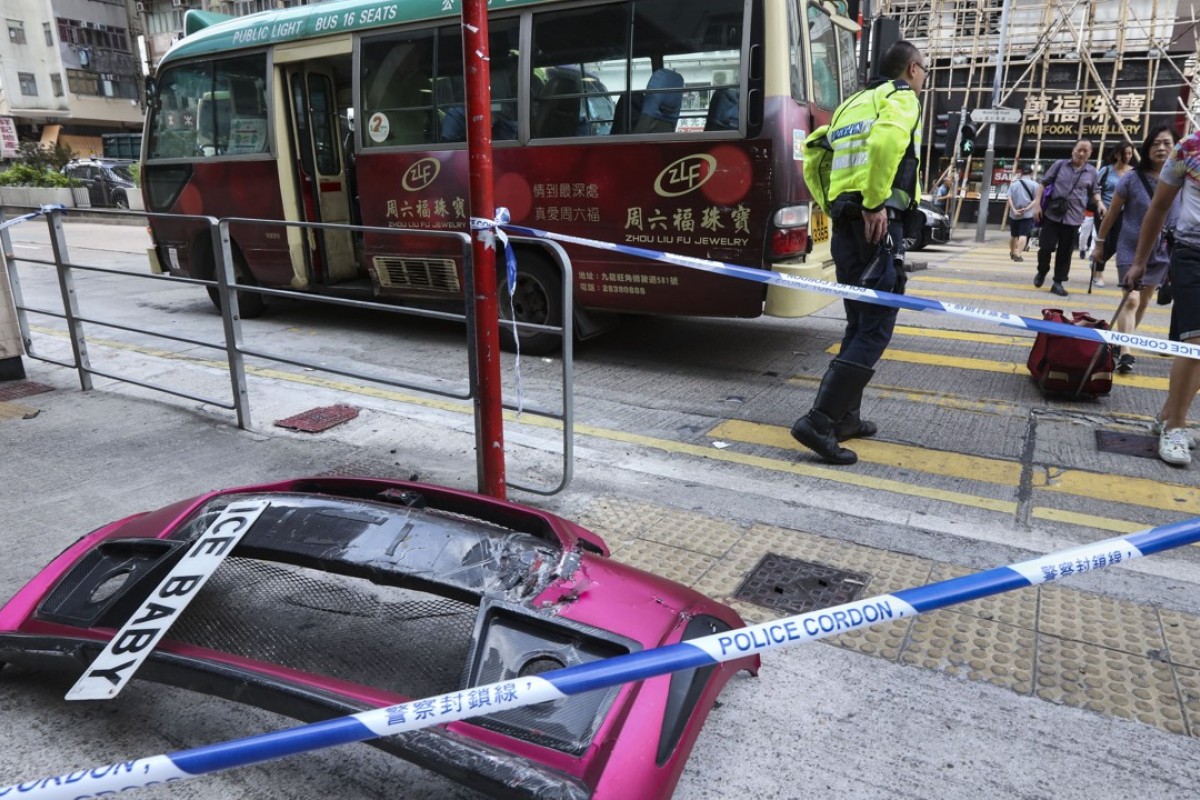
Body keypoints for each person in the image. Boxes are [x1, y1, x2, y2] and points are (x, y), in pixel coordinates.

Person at [791, 40, 926, 465]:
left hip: (846, 226)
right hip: (878, 224)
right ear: (913, 69)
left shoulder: (852, 104)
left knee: (857, 323)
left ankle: (846, 418)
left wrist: (832, 204)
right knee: (875, 328)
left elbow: (814, 151)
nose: (923, 80)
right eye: (925, 72)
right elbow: (887, 144)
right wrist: (874, 202)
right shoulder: (900, 98)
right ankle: (819, 421)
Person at [1127, 129, 1200, 467]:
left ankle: (1170, 413)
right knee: (1196, 343)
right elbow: (1158, 208)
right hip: (1192, 254)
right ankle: (1175, 426)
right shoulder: (1189, 148)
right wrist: (1140, 261)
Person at [1091, 126, 1179, 374]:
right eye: (1155, 144)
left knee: (1145, 299)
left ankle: (1123, 341)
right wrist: (1100, 242)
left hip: (1162, 249)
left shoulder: (1182, 179)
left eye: (1166, 143)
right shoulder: (1131, 178)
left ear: (1176, 148)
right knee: (1131, 298)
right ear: (1147, 148)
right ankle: (1127, 353)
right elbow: (1112, 212)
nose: (1161, 148)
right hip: (1131, 246)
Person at [1031, 139, 1103, 297]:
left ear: (1090, 153)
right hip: (1052, 214)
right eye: (1079, 150)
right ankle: (1042, 270)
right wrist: (1036, 204)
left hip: (1074, 218)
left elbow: (1095, 191)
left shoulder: (1091, 172)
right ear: (1073, 150)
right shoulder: (1060, 165)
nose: (1081, 153)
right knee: (1046, 247)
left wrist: (1100, 204)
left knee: (1065, 252)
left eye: (1085, 151)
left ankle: (1058, 282)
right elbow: (1043, 183)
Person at [1089, 141, 1136, 287]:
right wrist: (1100, 204)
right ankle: (1098, 274)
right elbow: (1094, 189)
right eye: (1125, 153)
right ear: (1117, 154)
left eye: (1130, 153)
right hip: (1104, 212)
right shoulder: (1106, 170)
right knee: (1104, 241)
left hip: (1123, 214)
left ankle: (1096, 260)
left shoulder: (1134, 172)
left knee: (1115, 244)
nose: (1128, 156)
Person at [1006, 167, 1038, 262]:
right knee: (1023, 235)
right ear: (1031, 174)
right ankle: (1018, 254)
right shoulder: (1035, 185)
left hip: (1014, 214)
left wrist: (1014, 210)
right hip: (1027, 214)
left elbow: (1009, 198)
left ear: (1021, 174)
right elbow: (1036, 200)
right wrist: (1026, 209)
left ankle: (1012, 252)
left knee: (1013, 235)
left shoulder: (1013, 184)